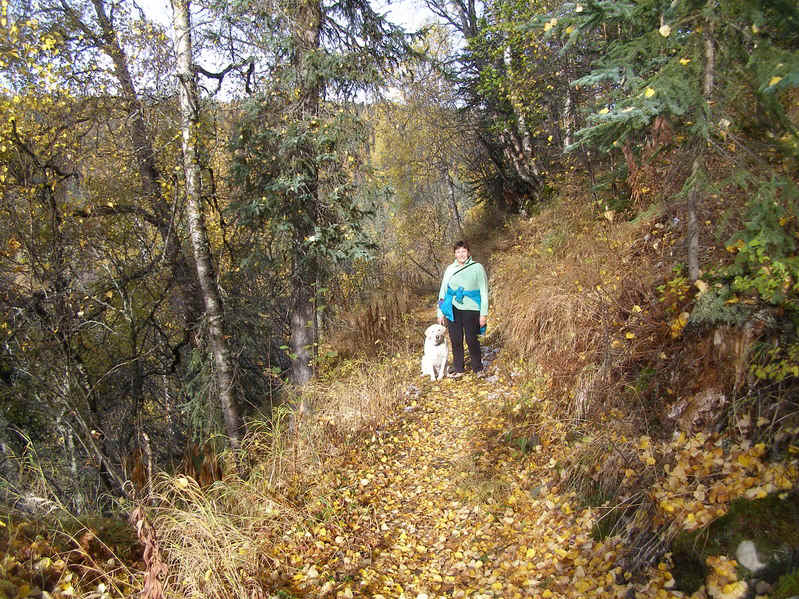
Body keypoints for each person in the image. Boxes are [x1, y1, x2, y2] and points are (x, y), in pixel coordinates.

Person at [437, 240, 488, 378]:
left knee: (472, 339)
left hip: (472, 308)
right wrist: (440, 312)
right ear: (455, 254)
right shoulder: (450, 269)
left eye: (464, 251)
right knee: (455, 339)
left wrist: (483, 314)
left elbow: (484, 292)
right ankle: (459, 368)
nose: (461, 254)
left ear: (468, 252)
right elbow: (443, 290)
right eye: (458, 252)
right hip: (452, 307)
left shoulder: (477, 268)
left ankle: (478, 368)